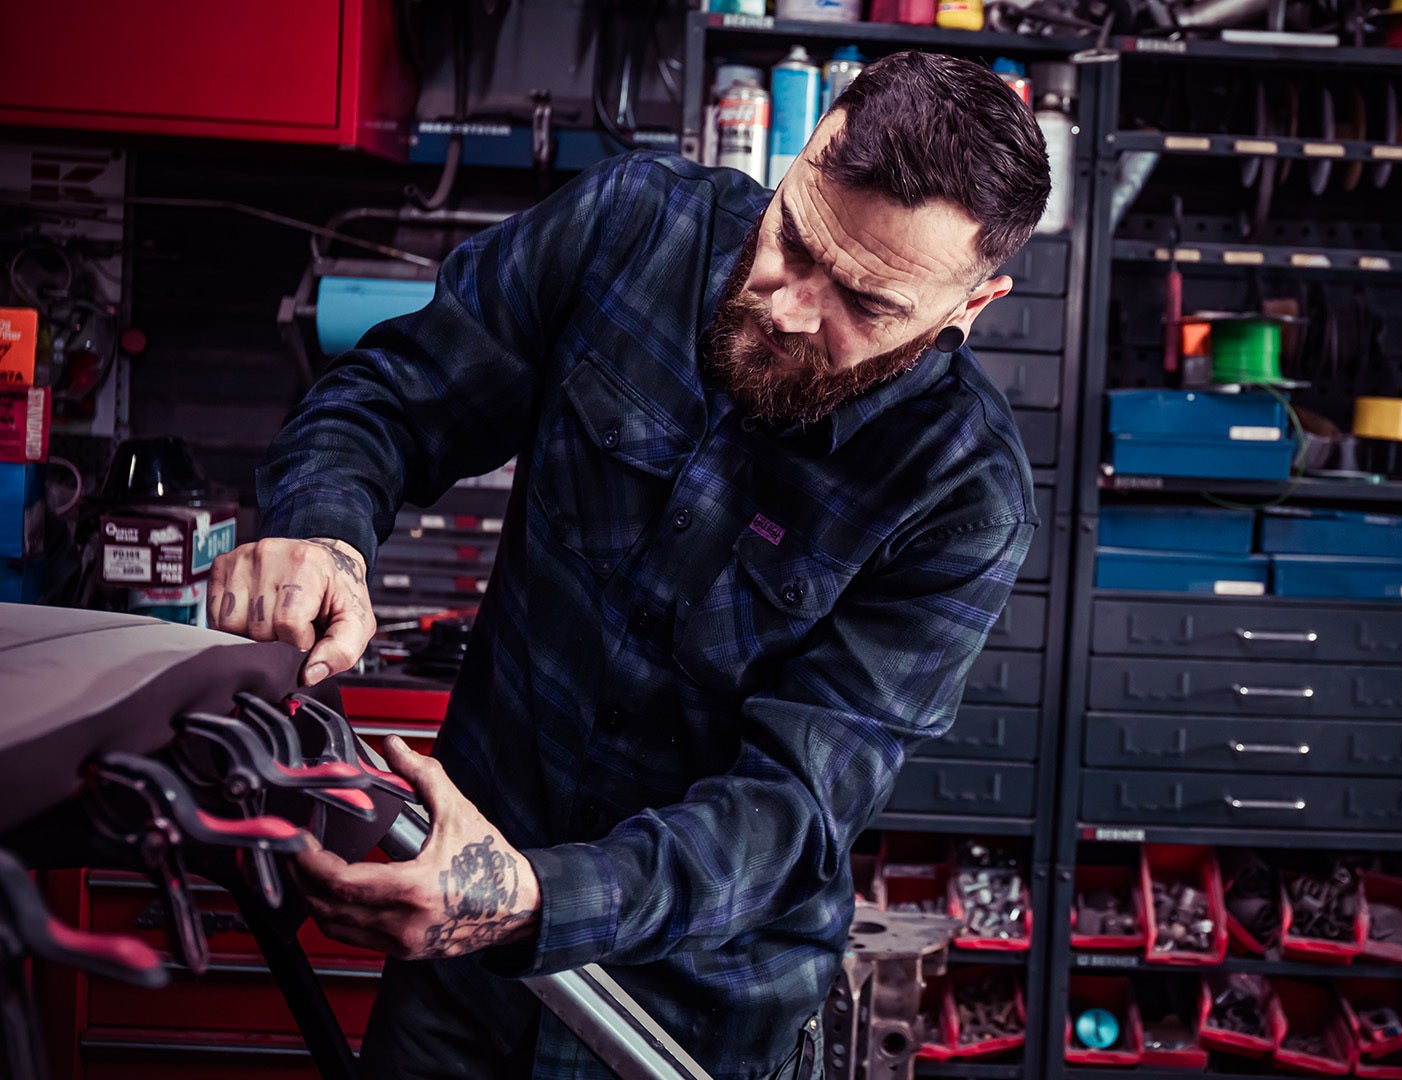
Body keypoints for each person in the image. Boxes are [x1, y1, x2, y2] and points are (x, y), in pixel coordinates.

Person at [208, 50, 1050, 1080]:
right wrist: (323, 532)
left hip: (691, 1013)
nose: (790, 306)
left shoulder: (965, 498)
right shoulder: (631, 228)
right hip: (457, 987)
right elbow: (392, 396)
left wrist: (533, 899)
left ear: (972, 306)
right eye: (794, 240)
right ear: (801, 156)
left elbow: (790, 809)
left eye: (866, 305)